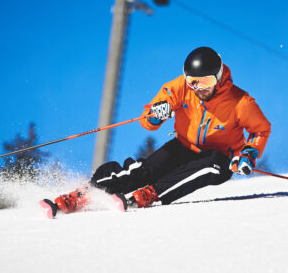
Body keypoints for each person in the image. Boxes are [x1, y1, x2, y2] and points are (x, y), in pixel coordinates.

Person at [40, 46, 271, 217]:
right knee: (143, 170)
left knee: (214, 163)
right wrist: (155, 115)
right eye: (193, 82)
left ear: (219, 77)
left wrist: (248, 154)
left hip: (219, 158)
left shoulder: (241, 102)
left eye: (206, 81)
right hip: (183, 146)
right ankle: (83, 194)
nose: (199, 88)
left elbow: (261, 130)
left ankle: (149, 195)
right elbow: (147, 121)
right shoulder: (179, 88)